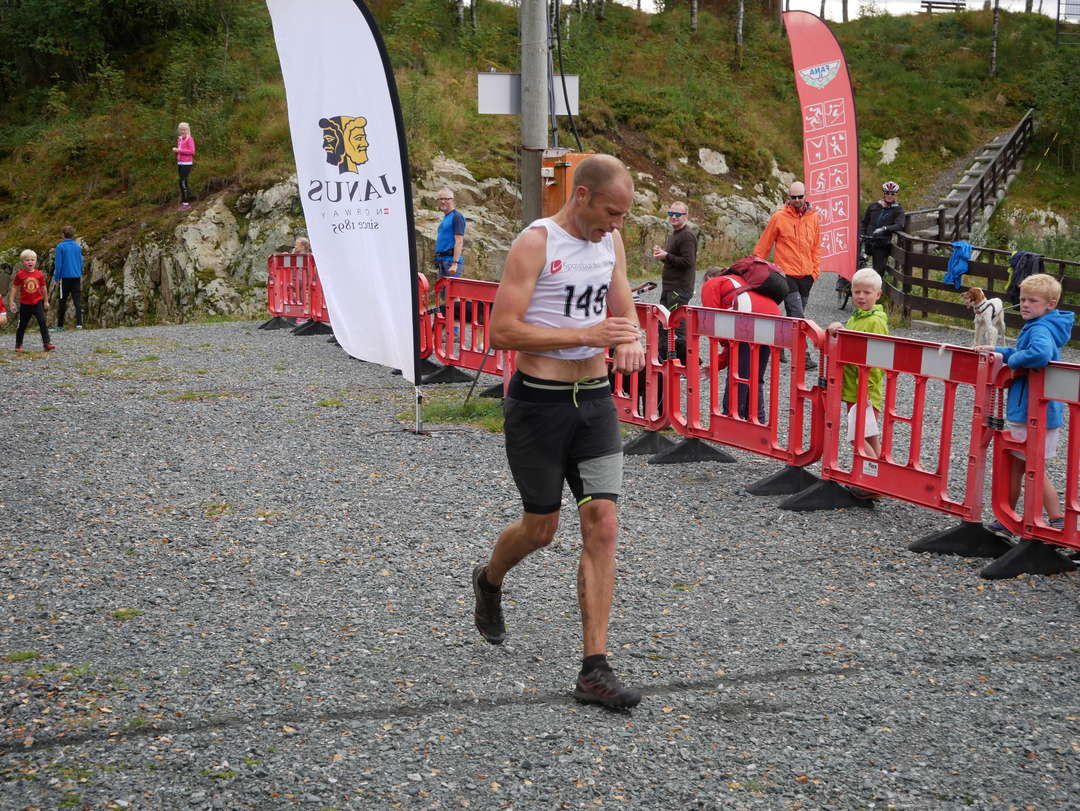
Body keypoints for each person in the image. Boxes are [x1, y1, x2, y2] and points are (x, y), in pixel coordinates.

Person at [475, 155, 646, 709]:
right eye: (611, 213)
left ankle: (594, 669)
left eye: (623, 216)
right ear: (582, 195)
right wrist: (585, 333)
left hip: (595, 403)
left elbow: (624, 310)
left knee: (603, 525)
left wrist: (632, 338)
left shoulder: (611, 243)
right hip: (538, 404)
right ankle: (489, 579)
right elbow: (502, 331)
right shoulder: (536, 243)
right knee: (540, 529)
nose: (616, 224)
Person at [976, 274, 1074, 536]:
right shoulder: (1043, 325)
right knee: (1019, 467)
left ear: (1050, 304)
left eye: (1033, 300)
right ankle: (1008, 519)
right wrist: (999, 351)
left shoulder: (1040, 328)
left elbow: (1039, 354)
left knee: (1032, 468)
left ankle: (1056, 519)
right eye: (1022, 299)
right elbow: (1026, 351)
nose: (1025, 305)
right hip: (1039, 411)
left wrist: (1013, 362)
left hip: (1032, 412)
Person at [700, 266, 781, 422]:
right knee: (756, 376)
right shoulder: (743, 281)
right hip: (773, 320)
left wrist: (722, 348)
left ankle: (731, 420)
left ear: (708, 278)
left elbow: (712, 321)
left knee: (737, 375)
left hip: (748, 321)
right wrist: (717, 365)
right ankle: (757, 421)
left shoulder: (713, 283)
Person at [754, 181, 821, 368]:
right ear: (788, 197)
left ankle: (779, 343)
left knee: (793, 316)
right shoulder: (779, 217)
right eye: (794, 197)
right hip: (786, 274)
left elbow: (816, 246)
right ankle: (803, 357)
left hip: (806, 276)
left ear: (806, 196)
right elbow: (764, 244)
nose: (797, 200)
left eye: (800, 196)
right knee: (798, 316)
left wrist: (815, 272)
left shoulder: (814, 217)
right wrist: (756, 266)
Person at [826, 267, 889, 467]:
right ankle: (879, 475)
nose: (861, 296)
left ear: (878, 295)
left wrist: (866, 389)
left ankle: (871, 475)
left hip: (864, 391)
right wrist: (841, 328)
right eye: (856, 292)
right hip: (853, 389)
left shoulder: (875, 322)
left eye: (867, 292)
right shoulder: (856, 317)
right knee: (868, 435)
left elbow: (878, 361)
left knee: (856, 437)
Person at [652, 201, 697, 310]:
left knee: (675, 319)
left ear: (685, 216)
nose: (673, 217)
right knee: (664, 318)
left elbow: (688, 262)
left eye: (677, 214)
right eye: (671, 213)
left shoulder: (687, 235)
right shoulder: (674, 234)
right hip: (669, 287)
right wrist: (662, 255)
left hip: (679, 289)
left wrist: (666, 256)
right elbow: (672, 259)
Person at [9, 249, 55, 352]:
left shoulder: (39, 274)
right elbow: (14, 287)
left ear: (36, 261)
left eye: (32, 260)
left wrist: (46, 301)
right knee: (22, 325)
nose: (30, 262)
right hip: (25, 304)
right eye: (27, 260)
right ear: (22, 262)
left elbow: (44, 288)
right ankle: (18, 344)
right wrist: (11, 301)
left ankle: (47, 343)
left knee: (42, 322)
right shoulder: (20, 274)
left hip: (37, 303)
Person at [860, 181, 904, 276]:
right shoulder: (873, 206)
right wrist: (861, 234)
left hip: (881, 243)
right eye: (887, 193)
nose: (889, 196)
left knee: (878, 272)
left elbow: (899, 225)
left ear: (895, 195)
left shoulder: (898, 210)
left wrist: (885, 228)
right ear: (884, 193)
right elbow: (864, 222)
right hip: (867, 240)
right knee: (857, 263)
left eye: (892, 194)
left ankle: (875, 285)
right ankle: (847, 283)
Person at [53, 225, 84, 331]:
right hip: (76, 276)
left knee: (62, 300)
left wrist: (57, 278)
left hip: (65, 277)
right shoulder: (77, 246)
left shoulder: (60, 247)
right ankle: (79, 324)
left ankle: (60, 325)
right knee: (77, 300)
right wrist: (80, 273)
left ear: (63, 234)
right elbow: (81, 261)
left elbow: (58, 264)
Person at [434, 188, 466, 279]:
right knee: (442, 289)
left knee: (450, 289)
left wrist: (455, 263)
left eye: (446, 199)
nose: (443, 201)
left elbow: (459, 241)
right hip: (442, 261)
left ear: (452, 200)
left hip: (450, 262)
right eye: (440, 199)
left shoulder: (457, 216)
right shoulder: (446, 217)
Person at [172, 122, 195, 210]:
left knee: (182, 182)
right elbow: (180, 151)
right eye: (181, 130)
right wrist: (176, 152)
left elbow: (192, 151)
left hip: (187, 163)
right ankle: (186, 200)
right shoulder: (180, 139)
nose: (182, 131)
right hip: (180, 163)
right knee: (182, 182)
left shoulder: (190, 139)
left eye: (184, 130)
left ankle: (186, 204)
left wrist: (179, 150)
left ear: (188, 130)